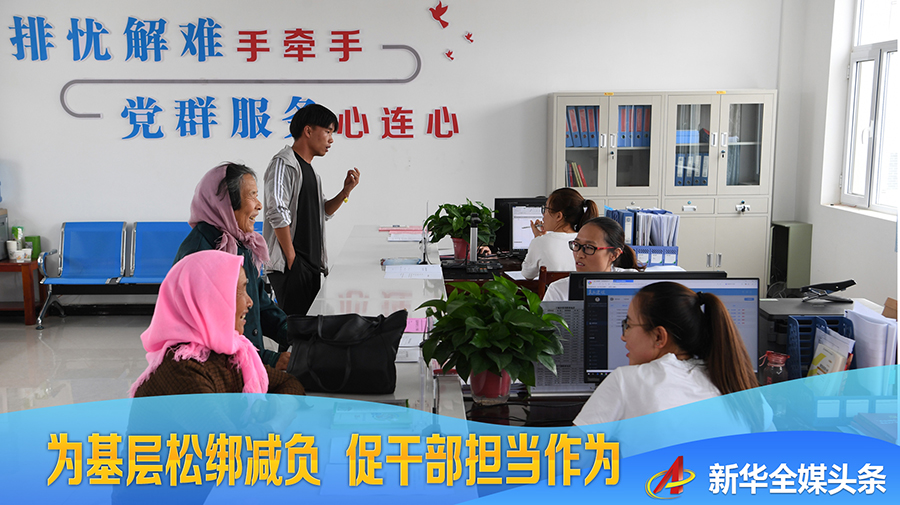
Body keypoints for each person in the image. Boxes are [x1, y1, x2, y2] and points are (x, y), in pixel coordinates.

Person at [573, 281, 758, 425]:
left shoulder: (625, 381)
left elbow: (569, 455)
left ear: (659, 337)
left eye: (628, 325)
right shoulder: (743, 390)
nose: (623, 336)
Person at [129, 250, 305, 397]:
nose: (250, 302)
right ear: (210, 302)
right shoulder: (184, 370)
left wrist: (274, 411)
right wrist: (271, 416)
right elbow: (223, 430)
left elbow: (289, 382)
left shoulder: (231, 352)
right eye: (240, 291)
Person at [174, 163, 291, 370]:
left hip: (245, 366)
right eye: (252, 196)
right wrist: (268, 359)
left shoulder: (238, 244)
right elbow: (210, 335)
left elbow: (259, 305)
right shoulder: (201, 255)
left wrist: (296, 332)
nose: (259, 205)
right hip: (214, 372)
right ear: (227, 203)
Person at [263, 103, 360, 316]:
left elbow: (322, 212)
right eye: (328, 132)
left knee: (307, 328)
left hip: (310, 266)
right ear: (308, 131)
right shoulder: (284, 164)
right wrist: (292, 259)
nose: (331, 140)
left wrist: (345, 191)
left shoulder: (311, 173)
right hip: (292, 266)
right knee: (295, 328)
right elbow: (276, 210)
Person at [542, 216, 645, 301]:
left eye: (589, 247)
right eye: (576, 244)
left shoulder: (633, 282)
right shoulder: (559, 291)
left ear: (614, 254)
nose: (579, 255)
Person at [520, 188, 599, 280]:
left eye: (545, 209)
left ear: (558, 216)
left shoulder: (540, 242)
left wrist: (538, 239)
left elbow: (527, 275)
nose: (543, 215)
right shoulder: (588, 242)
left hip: (552, 290)